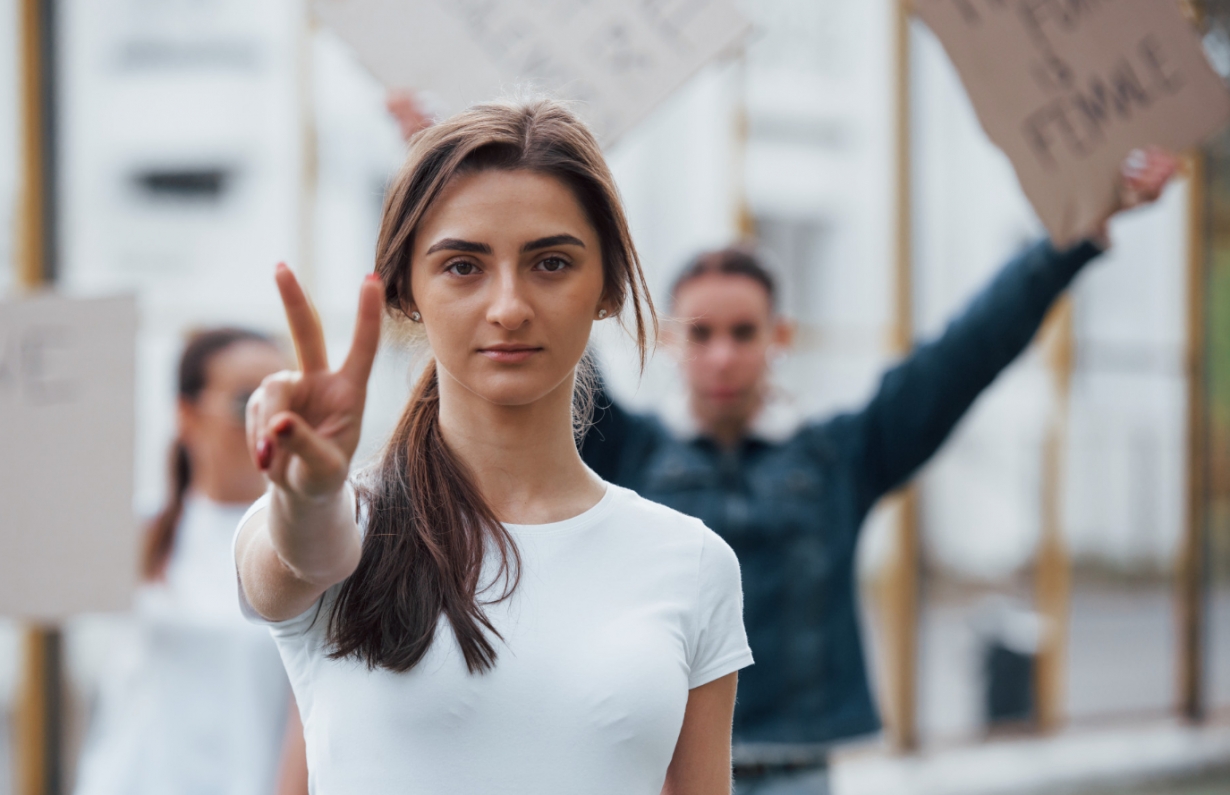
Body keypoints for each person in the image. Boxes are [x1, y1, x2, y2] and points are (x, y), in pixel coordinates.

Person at [578, 149, 1179, 794]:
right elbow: (558, 342)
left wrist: (1078, 232)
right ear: (670, 339)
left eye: (744, 332)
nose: (722, 355)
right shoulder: (628, 455)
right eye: (701, 333)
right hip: (665, 772)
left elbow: (964, 355)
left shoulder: (839, 457)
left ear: (780, 337)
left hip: (796, 770)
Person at [234, 99, 754, 794]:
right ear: (406, 292)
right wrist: (308, 493)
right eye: (462, 266)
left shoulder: (691, 563)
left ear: (607, 288)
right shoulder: (342, 521)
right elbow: (306, 555)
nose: (508, 305)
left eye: (550, 262)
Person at [74, 328, 294, 795]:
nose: (270, 422)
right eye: (246, 402)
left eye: (286, 401)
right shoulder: (139, 531)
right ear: (187, 415)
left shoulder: (312, 547)